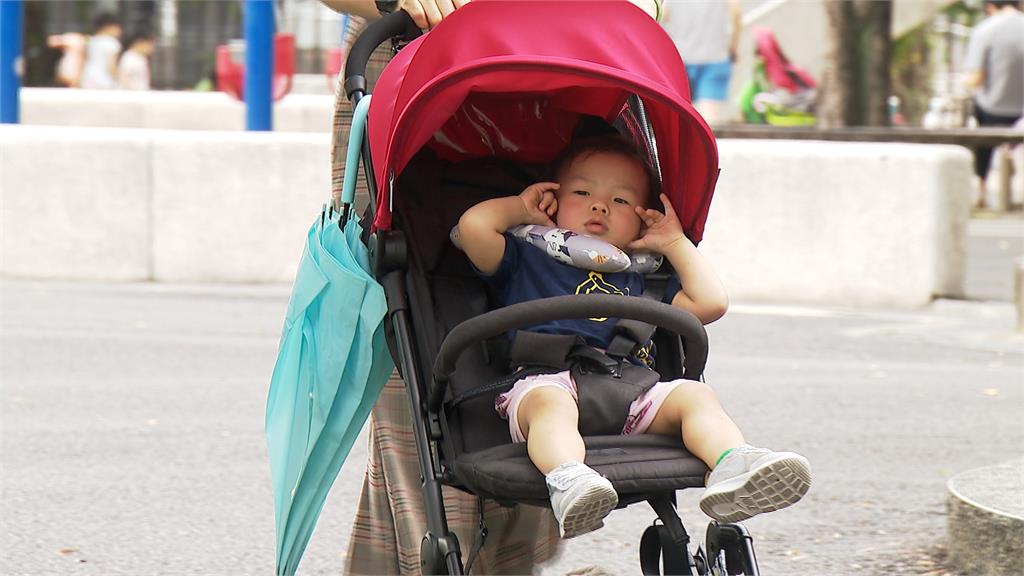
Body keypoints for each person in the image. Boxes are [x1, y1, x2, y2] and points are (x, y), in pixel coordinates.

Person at [319, 2, 663, 572]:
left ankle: (481, 560)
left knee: (506, 407)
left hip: (557, 75)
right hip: (416, 71)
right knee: (423, 390)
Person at [457, 135, 812, 538]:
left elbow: (711, 303)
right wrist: (521, 209)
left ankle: (734, 464)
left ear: (642, 220)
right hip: (547, 378)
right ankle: (569, 479)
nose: (600, 205)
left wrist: (674, 243)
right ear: (553, 201)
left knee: (695, 396)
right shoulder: (526, 259)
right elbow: (474, 227)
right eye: (582, 191)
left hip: (630, 392)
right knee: (548, 406)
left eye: (621, 201)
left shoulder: (643, 278)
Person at [963, 0, 1024, 208]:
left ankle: (981, 186)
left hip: (992, 108)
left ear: (990, 6)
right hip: (1021, 112)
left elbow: (976, 77)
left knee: (981, 130)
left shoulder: (985, 30)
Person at [661, 0, 742, 124]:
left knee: (678, 117)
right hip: (715, 57)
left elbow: (663, 15)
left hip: (680, 58)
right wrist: (733, 45)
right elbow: (736, 12)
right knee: (708, 118)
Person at [79, 12, 123, 90]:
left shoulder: (91, 41)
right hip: (104, 80)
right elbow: (111, 66)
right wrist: (119, 80)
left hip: (87, 77)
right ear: (108, 27)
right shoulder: (112, 42)